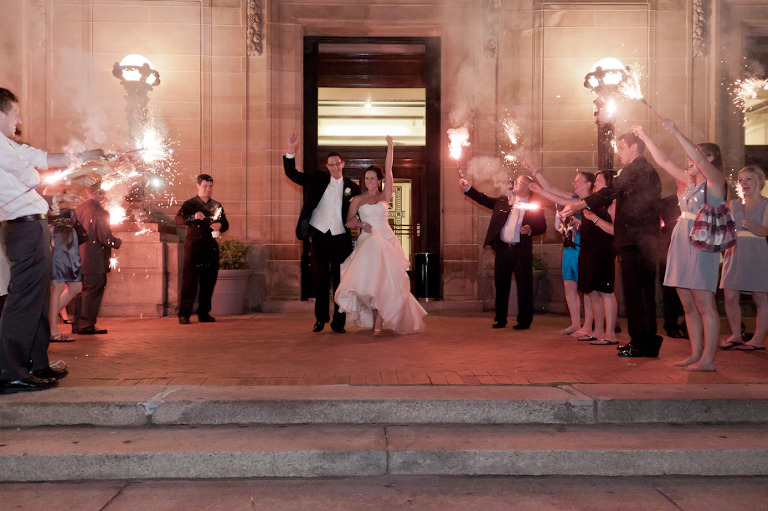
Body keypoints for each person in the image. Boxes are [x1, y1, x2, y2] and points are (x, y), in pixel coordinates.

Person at [0, 87, 102, 393]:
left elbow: (43, 157)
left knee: (39, 298)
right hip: (23, 228)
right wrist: (73, 174)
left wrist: (87, 156)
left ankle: (35, 363)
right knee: (23, 300)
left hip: (34, 228)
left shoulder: (9, 144)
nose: (19, 123)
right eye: (15, 115)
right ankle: (11, 371)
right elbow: (34, 175)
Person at [633, 122, 724, 371]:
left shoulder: (715, 182)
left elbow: (698, 160)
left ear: (710, 157)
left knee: (704, 304)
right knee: (687, 304)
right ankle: (696, 354)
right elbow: (664, 162)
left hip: (701, 242)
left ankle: (708, 359)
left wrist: (675, 132)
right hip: (681, 239)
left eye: (696, 155)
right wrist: (645, 136)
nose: (689, 159)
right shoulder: (691, 182)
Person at [561, 131, 661, 358]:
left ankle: (644, 342)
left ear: (634, 147)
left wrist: (580, 205)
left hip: (639, 241)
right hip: (636, 240)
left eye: (622, 146)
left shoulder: (639, 169)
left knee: (639, 293)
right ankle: (641, 340)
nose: (618, 151)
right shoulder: (636, 170)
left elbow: (610, 191)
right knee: (637, 293)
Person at [334, 136, 426, 335]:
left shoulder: (385, 196)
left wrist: (390, 147)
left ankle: (380, 319)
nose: (369, 181)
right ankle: (377, 318)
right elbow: (349, 222)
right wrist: (361, 223)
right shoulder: (357, 199)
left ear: (379, 180)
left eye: (372, 178)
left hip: (386, 239)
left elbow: (389, 168)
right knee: (374, 282)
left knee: (387, 282)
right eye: (366, 178)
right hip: (368, 242)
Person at [283, 132, 361, 333]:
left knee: (340, 281)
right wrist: (291, 149)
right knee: (319, 278)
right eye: (331, 165)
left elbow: (360, 211)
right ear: (327, 167)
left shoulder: (352, 188)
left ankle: (338, 322)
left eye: (337, 164)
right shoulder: (317, 179)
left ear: (343, 164)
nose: (335, 167)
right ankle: (320, 318)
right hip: (319, 236)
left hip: (340, 238)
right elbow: (293, 175)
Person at [461, 174, 547, 329]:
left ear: (528, 187)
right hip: (502, 250)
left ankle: (524, 321)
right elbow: (485, 200)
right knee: (501, 285)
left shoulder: (534, 205)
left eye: (520, 182)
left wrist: (531, 228)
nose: (515, 184)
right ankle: (500, 319)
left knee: (524, 286)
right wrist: (469, 189)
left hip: (520, 250)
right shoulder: (505, 199)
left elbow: (542, 227)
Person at [528, 167, 595, 338]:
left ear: (589, 184)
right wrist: (536, 175)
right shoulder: (572, 198)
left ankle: (588, 325)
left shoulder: (591, 201)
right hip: (570, 248)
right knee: (569, 286)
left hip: (584, 248)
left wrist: (539, 190)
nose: (574, 183)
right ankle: (575, 323)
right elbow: (553, 191)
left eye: (578, 181)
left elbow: (556, 197)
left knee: (586, 288)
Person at [720, 165, 768, 351]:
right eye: (741, 179)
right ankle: (736, 336)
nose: (744, 183)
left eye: (748, 179)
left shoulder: (766, 203)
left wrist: (752, 227)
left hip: (757, 251)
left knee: (760, 297)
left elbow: (765, 230)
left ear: (759, 181)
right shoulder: (734, 204)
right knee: (730, 295)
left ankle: (757, 340)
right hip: (734, 251)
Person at [175, 174, 229, 324]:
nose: (208, 189)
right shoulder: (190, 204)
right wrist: (193, 217)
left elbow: (225, 223)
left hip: (210, 247)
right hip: (193, 247)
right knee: (189, 281)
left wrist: (221, 226)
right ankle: (184, 314)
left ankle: (204, 312)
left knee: (208, 281)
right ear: (198, 185)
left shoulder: (216, 205)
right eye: (205, 186)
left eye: (210, 186)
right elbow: (178, 219)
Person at [72, 183, 122, 335]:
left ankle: (77, 324)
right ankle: (86, 325)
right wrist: (117, 242)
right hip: (95, 259)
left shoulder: (78, 209)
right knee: (93, 291)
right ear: (100, 193)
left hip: (79, 257)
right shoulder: (101, 212)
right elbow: (104, 237)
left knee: (81, 291)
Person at [580, 170, 619, 345]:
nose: (595, 184)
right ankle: (597, 331)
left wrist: (594, 218)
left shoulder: (613, 202)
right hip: (589, 252)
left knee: (606, 292)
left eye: (599, 180)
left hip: (604, 252)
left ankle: (610, 333)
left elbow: (614, 230)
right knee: (592, 292)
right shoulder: (594, 202)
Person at [660, 190, 687, 339]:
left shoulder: (697, 201)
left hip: (690, 250)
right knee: (669, 291)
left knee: (690, 290)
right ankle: (671, 325)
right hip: (667, 251)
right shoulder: (666, 202)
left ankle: (687, 325)